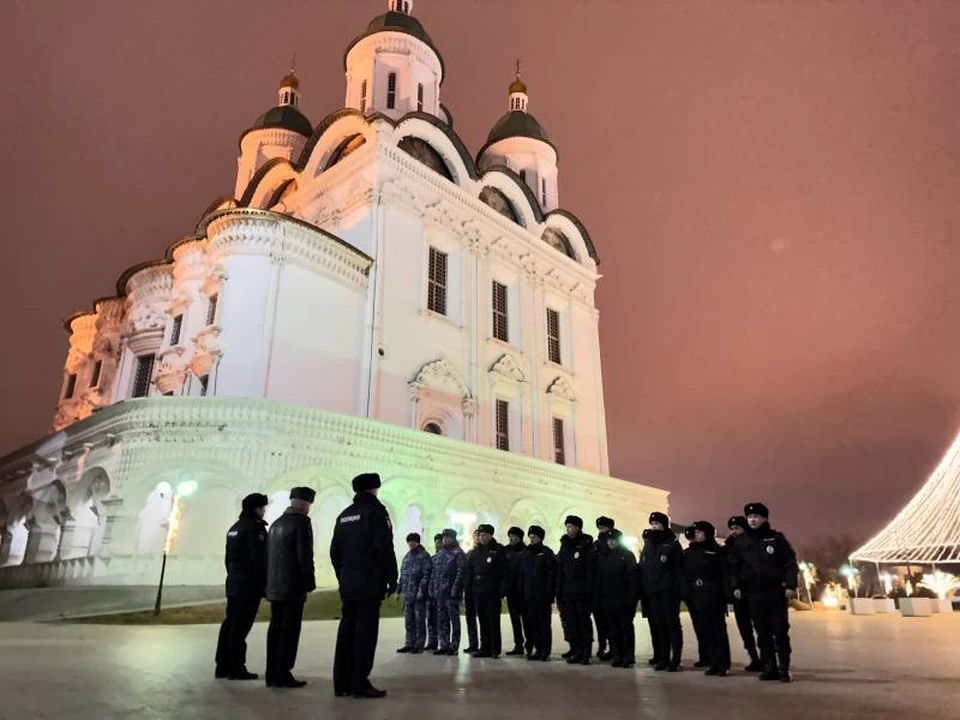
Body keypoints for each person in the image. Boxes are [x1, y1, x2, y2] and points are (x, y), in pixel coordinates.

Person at [330, 473, 398, 699]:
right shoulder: (377, 513)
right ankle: (359, 682)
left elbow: (335, 552)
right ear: (375, 488)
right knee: (365, 634)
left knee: (347, 631)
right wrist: (391, 577)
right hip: (370, 582)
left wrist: (343, 577)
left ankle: (341, 683)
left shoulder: (344, 515)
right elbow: (384, 547)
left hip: (349, 584)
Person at [727, 502, 799, 683]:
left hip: (775, 591)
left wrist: (790, 585)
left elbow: (790, 562)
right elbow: (734, 567)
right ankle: (770, 667)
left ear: (764, 518)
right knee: (762, 631)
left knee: (780, 630)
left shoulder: (776, 539)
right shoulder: (741, 542)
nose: (752, 519)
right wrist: (735, 586)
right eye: (750, 517)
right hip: (753, 592)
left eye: (756, 516)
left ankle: (784, 668)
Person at [264, 487, 316, 689]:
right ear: (303, 503)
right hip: (292, 586)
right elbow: (304, 556)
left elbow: (267, 556)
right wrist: (309, 582)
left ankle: (272, 673)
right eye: (309, 504)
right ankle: (283, 673)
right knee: (289, 631)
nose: (309, 508)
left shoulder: (276, 523)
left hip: (275, 586)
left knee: (275, 629)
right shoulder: (302, 523)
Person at [215, 492, 268, 681]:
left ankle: (222, 666)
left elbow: (228, 558)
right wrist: (263, 584)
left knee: (230, 624)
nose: (264, 511)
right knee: (240, 627)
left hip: (234, 582)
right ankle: (237, 667)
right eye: (262, 507)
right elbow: (259, 559)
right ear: (256, 508)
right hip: (249, 586)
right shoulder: (255, 528)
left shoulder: (234, 528)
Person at [683, 521, 731, 676]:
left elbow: (724, 573)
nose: (696, 534)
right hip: (697, 596)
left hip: (714, 595)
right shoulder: (691, 552)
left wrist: (725, 594)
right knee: (706, 631)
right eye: (695, 532)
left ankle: (723, 664)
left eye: (700, 532)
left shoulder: (717, 551)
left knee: (718, 631)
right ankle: (712, 662)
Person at [639, 511, 683, 671]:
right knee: (659, 625)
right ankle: (664, 658)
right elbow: (643, 567)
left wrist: (675, 588)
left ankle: (675, 659)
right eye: (652, 524)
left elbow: (678, 570)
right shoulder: (648, 544)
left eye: (657, 524)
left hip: (668, 592)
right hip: (653, 592)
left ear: (664, 525)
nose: (654, 527)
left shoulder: (672, 544)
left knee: (672, 625)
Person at [556, 515, 595, 665]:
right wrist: (559, 590)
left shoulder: (585, 544)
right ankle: (577, 650)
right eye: (567, 527)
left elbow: (590, 569)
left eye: (571, 526)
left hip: (582, 591)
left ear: (578, 528)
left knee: (583, 621)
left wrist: (589, 589)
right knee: (572, 622)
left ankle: (586, 652)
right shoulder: (565, 545)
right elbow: (561, 569)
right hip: (568, 591)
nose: (568, 529)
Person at [464, 524, 507, 658]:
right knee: (482, 621)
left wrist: (502, 590)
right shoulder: (475, 552)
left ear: (490, 536)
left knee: (493, 621)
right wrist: (468, 590)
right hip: (478, 590)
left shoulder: (498, 550)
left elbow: (505, 572)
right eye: (480, 535)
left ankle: (495, 649)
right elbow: (469, 572)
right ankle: (485, 648)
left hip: (492, 590)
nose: (482, 537)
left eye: (485, 535)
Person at [725, 515, 762, 671]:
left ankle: (766, 657)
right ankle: (754, 657)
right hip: (738, 594)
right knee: (744, 628)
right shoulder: (729, 546)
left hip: (753, 591)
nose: (734, 532)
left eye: (737, 528)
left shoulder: (753, 544)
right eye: (732, 529)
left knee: (760, 626)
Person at [597, 529, 638, 668]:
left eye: (613, 540)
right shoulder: (605, 557)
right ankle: (617, 656)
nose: (610, 542)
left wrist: (632, 599)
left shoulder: (627, 555)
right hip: (609, 600)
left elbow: (632, 579)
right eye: (608, 540)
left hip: (624, 600)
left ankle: (628, 656)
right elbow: (600, 580)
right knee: (613, 630)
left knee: (625, 629)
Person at [521, 525, 556, 661]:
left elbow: (551, 574)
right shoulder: (527, 553)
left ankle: (545, 651)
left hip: (542, 596)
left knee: (544, 624)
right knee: (533, 624)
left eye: (534, 537)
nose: (532, 539)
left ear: (540, 538)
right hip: (529, 595)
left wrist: (549, 592)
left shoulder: (546, 553)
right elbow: (522, 574)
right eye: (530, 537)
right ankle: (537, 648)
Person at [430, 528, 467, 655]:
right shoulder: (440, 554)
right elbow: (434, 573)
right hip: (440, 593)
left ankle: (454, 645)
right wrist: (433, 588)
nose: (445, 539)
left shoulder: (458, 553)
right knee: (442, 619)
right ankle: (444, 645)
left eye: (448, 537)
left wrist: (455, 589)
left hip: (451, 593)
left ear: (453, 538)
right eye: (444, 537)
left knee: (454, 620)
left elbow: (460, 572)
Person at [396, 532, 432, 655]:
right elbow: (403, 574)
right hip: (407, 595)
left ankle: (419, 644)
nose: (411, 543)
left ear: (418, 542)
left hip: (418, 595)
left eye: (413, 541)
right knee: (409, 621)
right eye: (409, 541)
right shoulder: (407, 556)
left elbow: (426, 575)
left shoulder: (424, 556)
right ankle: (409, 643)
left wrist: (421, 591)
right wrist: (398, 590)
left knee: (419, 621)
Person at [683, 525, 708, 668]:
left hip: (706, 595)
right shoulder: (686, 554)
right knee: (699, 628)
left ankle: (711, 656)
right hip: (693, 597)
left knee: (709, 628)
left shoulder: (707, 551)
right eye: (691, 537)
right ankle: (704, 656)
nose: (693, 539)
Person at [637, 528, 662, 666]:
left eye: (648, 539)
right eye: (644, 539)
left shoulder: (654, 553)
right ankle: (657, 654)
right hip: (647, 595)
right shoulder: (645, 554)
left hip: (656, 594)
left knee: (661, 627)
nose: (646, 542)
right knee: (653, 627)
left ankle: (664, 655)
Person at [592, 516, 615, 660]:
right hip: (597, 588)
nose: (602, 530)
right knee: (599, 620)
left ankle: (614, 648)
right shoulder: (595, 544)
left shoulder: (613, 544)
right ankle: (602, 646)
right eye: (600, 528)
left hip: (609, 589)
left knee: (610, 621)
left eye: (604, 528)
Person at [504, 526, 528, 656]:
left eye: (514, 536)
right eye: (510, 536)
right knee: (514, 619)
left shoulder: (526, 551)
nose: (512, 538)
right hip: (511, 591)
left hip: (523, 591)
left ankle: (529, 644)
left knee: (526, 619)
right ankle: (518, 644)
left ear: (520, 537)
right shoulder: (506, 551)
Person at [462, 529, 481, 654]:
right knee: (470, 618)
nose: (476, 538)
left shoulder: (485, 552)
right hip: (469, 590)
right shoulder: (469, 553)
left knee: (484, 620)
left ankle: (487, 644)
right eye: (475, 536)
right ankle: (473, 643)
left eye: (478, 536)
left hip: (480, 590)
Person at [424, 533, 444, 652]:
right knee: (430, 619)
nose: (437, 544)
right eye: (436, 542)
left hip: (441, 594)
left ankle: (443, 644)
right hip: (431, 593)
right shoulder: (433, 558)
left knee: (441, 620)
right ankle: (432, 642)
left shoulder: (446, 557)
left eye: (439, 542)